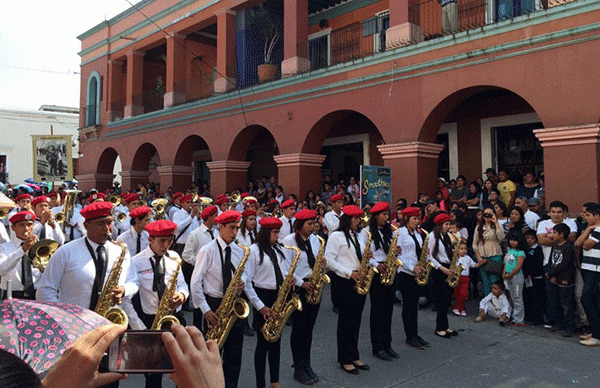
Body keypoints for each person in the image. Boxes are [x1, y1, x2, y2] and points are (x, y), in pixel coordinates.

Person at [125, 219, 189, 388]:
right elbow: (127, 299)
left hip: (172, 318)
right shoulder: (136, 262)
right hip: (150, 321)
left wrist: (182, 295)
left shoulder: (174, 258)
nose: (167, 245)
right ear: (150, 240)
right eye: (162, 241)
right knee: (153, 375)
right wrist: (139, 328)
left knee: (180, 368)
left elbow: (182, 284)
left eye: (170, 241)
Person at [190, 210, 247, 388]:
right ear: (220, 227)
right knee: (212, 354)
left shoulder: (239, 250)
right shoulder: (207, 251)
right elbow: (195, 283)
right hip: (214, 305)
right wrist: (206, 310)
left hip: (233, 304)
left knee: (234, 355)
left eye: (237, 228)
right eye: (231, 228)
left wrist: (241, 284)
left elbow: (244, 275)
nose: (235, 233)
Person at [244, 217, 299, 388]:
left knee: (276, 341)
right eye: (274, 233)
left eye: (278, 232)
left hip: (278, 296)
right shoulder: (253, 250)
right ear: (266, 233)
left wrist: (289, 281)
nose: (277, 237)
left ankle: (274, 381)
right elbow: (247, 281)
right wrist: (260, 307)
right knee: (263, 344)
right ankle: (260, 383)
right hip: (263, 297)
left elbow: (283, 270)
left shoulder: (278, 250)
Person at [325, 205, 370, 374]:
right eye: (356, 218)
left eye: (359, 218)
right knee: (345, 320)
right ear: (347, 219)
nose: (359, 221)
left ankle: (354, 354)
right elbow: (329, 260)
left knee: (356, 320)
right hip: (344, 281)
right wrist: (349, 272)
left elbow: (359, 255)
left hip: (358, 278)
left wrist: (367, 258)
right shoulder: (336, 236)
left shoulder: (358, 236)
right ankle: (344, 358)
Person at [281, 209, 322, 384]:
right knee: (299, 329)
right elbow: (285, 269)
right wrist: (301, 283)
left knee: (309, 328)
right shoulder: (289, 241)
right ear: (300, 225)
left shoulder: (315, 240)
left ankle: (307, 363)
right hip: (299, 288)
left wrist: (323, 266)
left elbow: (318, 261)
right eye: (310, 224)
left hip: (314, 286)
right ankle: (298, 366)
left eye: (314, 224)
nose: (313, 227)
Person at [366, 202, 401, 361]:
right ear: (376, 216)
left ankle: (387, 344)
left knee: (388, 310)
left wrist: (396, 253)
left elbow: (392, 251)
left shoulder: (390, 232)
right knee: (377, 311)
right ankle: (377, 346)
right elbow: (365, 255)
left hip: (389, 270)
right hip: (377, 272)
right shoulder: (367, 233)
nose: (388, 218)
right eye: (384, 215)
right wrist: (376, 265)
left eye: (388, 215)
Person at [537, 201, 577, 328]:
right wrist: (558, 238)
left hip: (566, 267)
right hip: (548, 264)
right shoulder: (543, 223)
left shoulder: (571, 223)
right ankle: (555, 321)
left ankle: (569, 325)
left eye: (559, 212)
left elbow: (571, 239)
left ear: (564, 213)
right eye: (553, 212)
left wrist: (548, 236)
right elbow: (540, 240)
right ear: (549, 212)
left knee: (566, 298)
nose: (556, 215)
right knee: (551, 295)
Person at [397, 207, 430, 349]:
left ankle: (415, 334)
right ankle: (409, 335)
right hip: (406, 273)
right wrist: (412, 268)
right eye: (414, 219)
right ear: (407, 219)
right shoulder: (400, 233)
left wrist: (424, 251)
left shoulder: (417, 233)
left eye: (418, 219)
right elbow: (399, 256)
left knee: (414, 304)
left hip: (416, 271)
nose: (417, 222)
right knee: (408, 305)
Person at [428, 213, 459, 339]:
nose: (448, 227)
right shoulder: (432, 236)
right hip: (439, 269)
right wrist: (442, 268)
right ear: (440, 225)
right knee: (440, 300)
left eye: (449, 224)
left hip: (447, 267)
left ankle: (445, 326)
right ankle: (439, 327)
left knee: (446, 299)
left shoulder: (446, 236)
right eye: (446, 224)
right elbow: (430, 256)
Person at [546, 223, 577, 337]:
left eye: (554, 233)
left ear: (562, 234)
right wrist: (551, 276)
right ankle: (559, 323)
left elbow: (565, 265)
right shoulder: (555, 245)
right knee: (555, 302)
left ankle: (570, 327)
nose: (552, 235)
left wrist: (551, 274)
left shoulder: (568, 247)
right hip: (554, 278)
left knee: (567, 305)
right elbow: (551, 261)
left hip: (564, 279)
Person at [0, 211, 39, 300]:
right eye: (21, 225)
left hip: (35, 292)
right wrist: (22, 249)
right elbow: (2, 270)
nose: (26, 229)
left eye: (29, 225)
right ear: (13, 228)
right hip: (11, 293)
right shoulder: (4, 247)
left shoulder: (39, 246)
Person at [577, 204, 600, 346]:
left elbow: (585, 245)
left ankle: (597, 335)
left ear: (596, 216)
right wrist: (587, 230)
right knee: (589, 299)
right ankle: (596, 332)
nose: (585, 217)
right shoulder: (591, 229)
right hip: (588, 267)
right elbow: (578, 243)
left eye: (588, 215)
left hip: (596, 269)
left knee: (587, 298)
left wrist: (588, 231)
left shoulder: (598, 230)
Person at [473, 207, 505, 297]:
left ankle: (497, 302)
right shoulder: (479, 227)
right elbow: (474, 244)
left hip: (495, 255)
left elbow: (501, 237)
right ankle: (487, 304)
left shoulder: (497, 225)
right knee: (485, 281)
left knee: (495, 281)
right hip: (482, 257)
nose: (487, 216)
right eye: (485, 214)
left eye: (490, 214)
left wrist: (496, 222)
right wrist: (478, 257)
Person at [452, 241, 484, 316]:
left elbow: (473, 265)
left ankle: (458, 308)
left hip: (465, 278)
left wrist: (480, 263)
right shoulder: (455, 258)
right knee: (457, 294)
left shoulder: (468, 258)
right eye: (461, 249)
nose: (463, 250)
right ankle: (461, 308)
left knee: (463, 294)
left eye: (465, 249)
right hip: (457, 277)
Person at [503, 231, 527, 326]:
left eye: (515, 241)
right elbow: (506, 263)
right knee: (512, 297)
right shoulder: (510, 251)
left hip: (516, 277)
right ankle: (514, 317)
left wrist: (510, 274)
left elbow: (518, 266)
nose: (513, 242)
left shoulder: (521, 253)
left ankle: (519, 319)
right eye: (511, 240)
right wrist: (504, 273)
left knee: (517, 297)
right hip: (508, 276)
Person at [523, 229, 545, 326]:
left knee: (537, 298)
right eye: (527, 238)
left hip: (536, 278)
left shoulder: (538, 250)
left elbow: (538, 264)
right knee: (528, 297)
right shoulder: (526, 249)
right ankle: (529, 315)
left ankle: (537, 318)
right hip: (527, 278)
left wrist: (531, 274)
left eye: (532, 238)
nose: (529, 240)